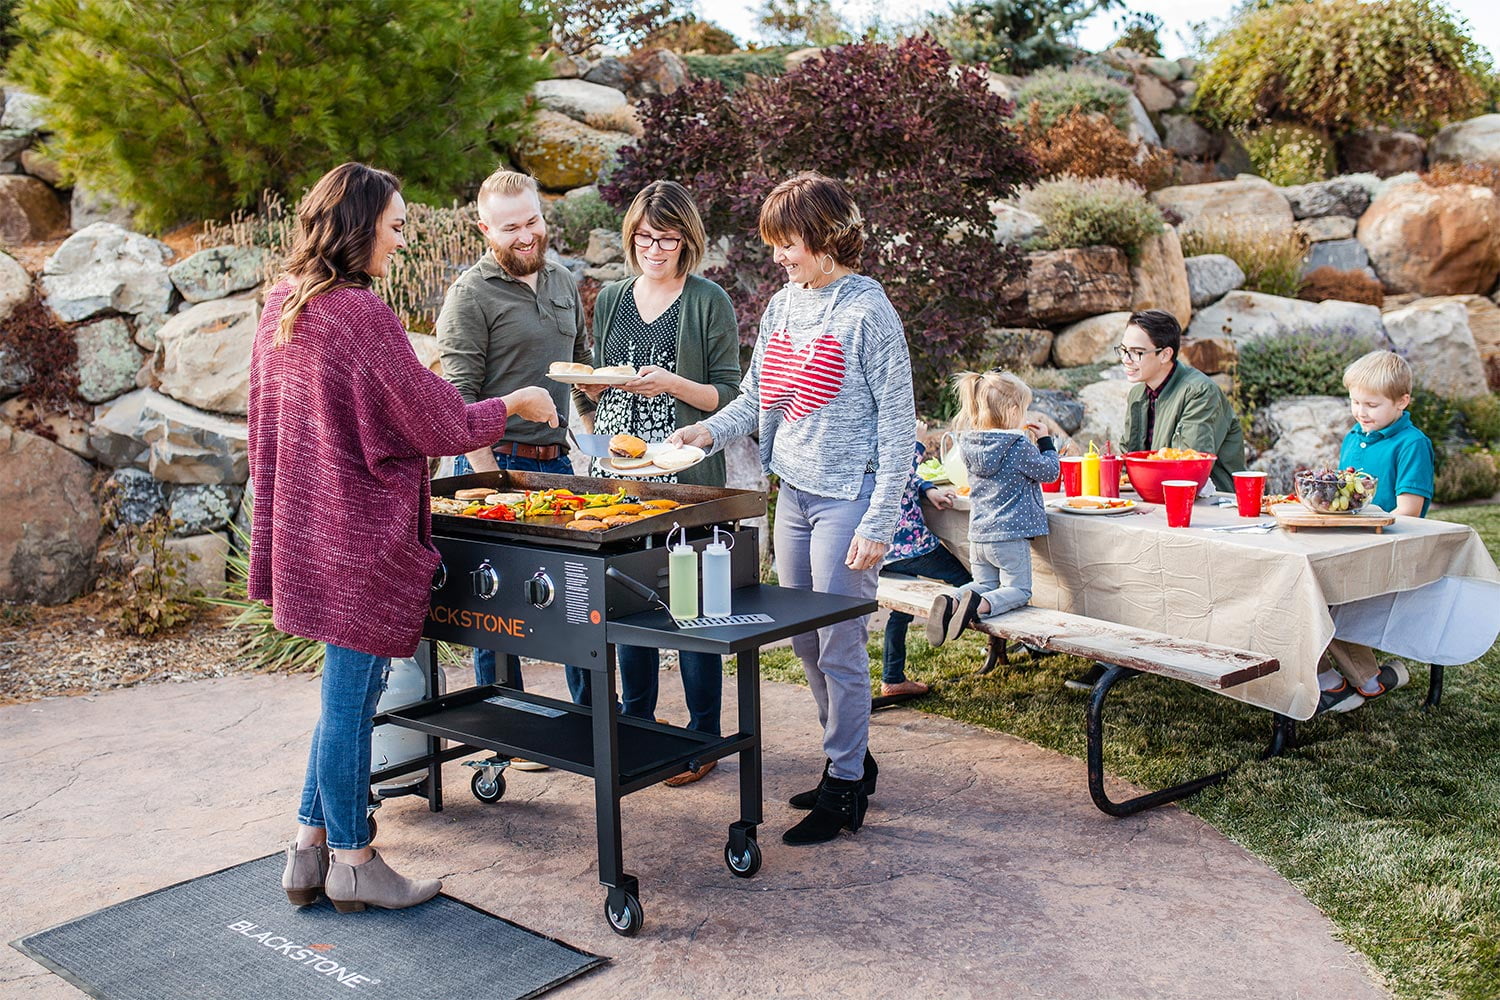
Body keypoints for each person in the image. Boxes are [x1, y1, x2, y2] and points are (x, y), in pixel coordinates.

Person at [248, 163, 558, 911]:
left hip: (306, 531)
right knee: (352, 703)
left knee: (340, 699)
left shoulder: (284, 304)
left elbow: (261, 429)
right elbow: (436, 422)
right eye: (393, 225)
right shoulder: (357, 314)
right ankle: (355, 860)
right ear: (358, 228)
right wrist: (513, 401)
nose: (399, 238)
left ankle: (307, 849)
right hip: (356, 542)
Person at [671, 172, 916, 845]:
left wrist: (878, 520)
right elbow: (756, 400)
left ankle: (843, 787)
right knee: (804, 637)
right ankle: (852, 759)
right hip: (796, 493)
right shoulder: (784, 305)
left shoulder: (868, 311)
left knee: (839, 642)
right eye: (775, 242)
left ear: (825, 235)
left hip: (848, 497)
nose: (778, 254)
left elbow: (899, 427)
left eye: (787, 242)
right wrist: (706, 432)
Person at [570, 179, 743, 785]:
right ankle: (636, 723)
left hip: (684, 475)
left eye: (666, 239)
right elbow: (595, 379)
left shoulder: (708, 300)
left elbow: (727, 393)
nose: (654, 249)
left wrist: (668, 383)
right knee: (626, 603)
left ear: (686, 241)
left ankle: (702, 737)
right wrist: (589, 394)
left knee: (693, 607)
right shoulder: (614, 295)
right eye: (644, 237)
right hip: (618, 477)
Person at [436, 168, 589, 728]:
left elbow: (576, 374)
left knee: (574, 597)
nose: (525, 236)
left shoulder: (563, 281)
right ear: (483, 229)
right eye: (509, 229)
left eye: (532, 222)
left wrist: (595, 435)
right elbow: (456, 402)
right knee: (497, 609)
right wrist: (487, 480)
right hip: (490, 464)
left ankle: (591, 717)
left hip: (560, 465)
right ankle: (509, 728)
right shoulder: (469, 296)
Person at [1318, 350, 1434, 713]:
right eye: (1355, 401)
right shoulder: (1354, 436)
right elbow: (1344, 494)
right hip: (1352, 542)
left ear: (1402, 401)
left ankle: (1363, 680)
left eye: (1372, 404)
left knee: (1322, 594)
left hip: (1392, 548)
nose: (1361, 412)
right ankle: (1331, 679)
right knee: (1298, 587)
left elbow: (1409, 512)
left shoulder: (1412, 444)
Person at [924, 372, 1059, 643]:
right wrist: (1045, 441)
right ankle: (976, 606)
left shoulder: (968, 443)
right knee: (1019, 590)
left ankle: (952, 600)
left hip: (979, 534)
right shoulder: (1017, 445)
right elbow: (1050, 472)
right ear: (1011, 411)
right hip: (1009, 536)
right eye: (1024, 409)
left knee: (983, 584)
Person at [879, 429, 969, 697]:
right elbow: (897, 473)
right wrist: (916, 440)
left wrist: (928, 489)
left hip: (886, 552)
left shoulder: (867, 437)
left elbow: (908, 477)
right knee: (971, 582)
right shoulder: (876, 439)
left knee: (901, 612)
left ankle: (892, 678)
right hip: (911, 546)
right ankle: (946, 614)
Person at [1119, 309, 1246, 491]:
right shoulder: (1138, 394)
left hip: (1214, 501)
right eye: (1123, 350)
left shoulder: (1200, 392)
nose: (1126, 359)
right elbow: (1128, 457)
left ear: (1165, 354)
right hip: (1154, 494)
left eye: (1136, 352)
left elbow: (1188, 466)